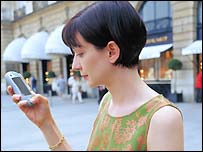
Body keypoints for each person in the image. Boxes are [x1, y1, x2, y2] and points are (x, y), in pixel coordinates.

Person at [7, 1, 184, 151]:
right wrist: (46, 123)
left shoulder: (162, 118)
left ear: (111, 51)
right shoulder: (107, 102)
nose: (75, 66)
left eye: (80, 53)